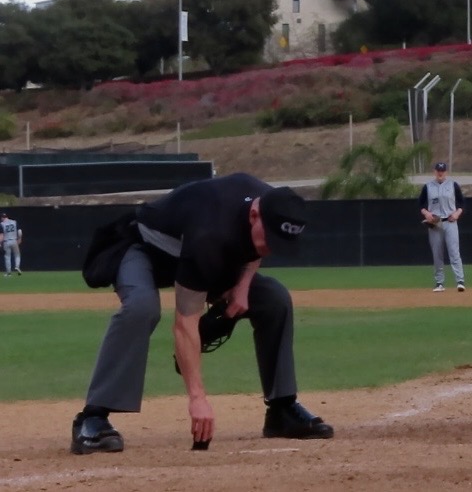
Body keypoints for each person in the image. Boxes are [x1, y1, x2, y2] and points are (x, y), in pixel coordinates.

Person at [71, 173, 334, 455]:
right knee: (141, 306)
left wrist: (243, 286)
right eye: (269, 239)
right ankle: (92, 418)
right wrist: (198, 399)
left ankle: (281, 409)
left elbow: (256, 248)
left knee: (274, 299)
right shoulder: (211, 229)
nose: (271, 247)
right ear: (255, 214)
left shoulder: (273, 203)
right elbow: (185, 322)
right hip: (145, 249)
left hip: (198, 254)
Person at [419, 161, 466, 292]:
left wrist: (457, 213)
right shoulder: (428, 187)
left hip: (450, 221)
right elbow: (421, 204)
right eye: (438, 171)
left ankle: (460, 281)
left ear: (446, 172)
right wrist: (426, 213)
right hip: (435, 223)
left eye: (442, 171)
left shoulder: (453, 185)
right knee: (437, 253)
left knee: (454, 251)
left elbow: (461, 203)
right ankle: (439, 282)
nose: (440, 173)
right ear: (434, 171)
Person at [0, 212, 22, 276]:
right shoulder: (14, 222)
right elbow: (20, 231)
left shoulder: (1, 224)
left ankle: (8, 272)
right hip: (14, 240)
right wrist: (19, 238)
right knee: (17, 255)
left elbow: (1, 235)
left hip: (6, 241)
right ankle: (17, 266)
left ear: (2, 218)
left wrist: (0, 242)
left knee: (7, 257)